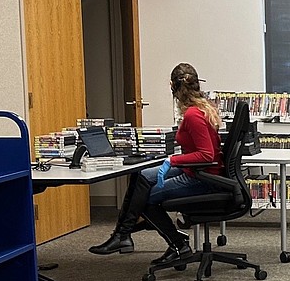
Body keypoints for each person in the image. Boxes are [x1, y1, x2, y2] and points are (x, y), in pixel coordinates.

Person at [89, 63, 222, 265]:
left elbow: (206, 154)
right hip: (199, 170)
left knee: (144, 200)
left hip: (201, 177)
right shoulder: (203, 108)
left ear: (172, 86)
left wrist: (172, 160)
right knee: (142, 175)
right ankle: (121, 235)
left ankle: (178, 244)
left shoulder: (193, 115)